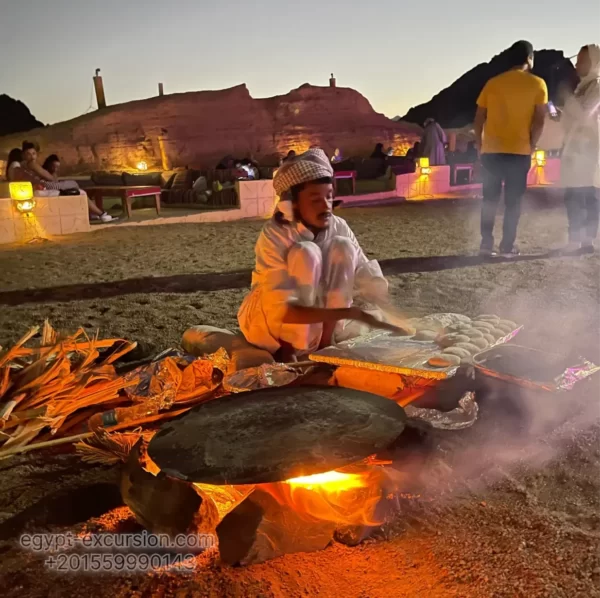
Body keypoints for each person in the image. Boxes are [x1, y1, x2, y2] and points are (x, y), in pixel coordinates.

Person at [238, 148, 408, 361]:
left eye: (328, 197)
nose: (326, 206)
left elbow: (364, 274)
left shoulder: (339, 226)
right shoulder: (275, 233)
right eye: (315, 199)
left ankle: (326, 343)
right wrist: (349, 314)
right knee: (306, 252)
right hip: (276, 323)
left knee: (343, 247)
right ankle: (292, 347)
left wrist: (388, 307)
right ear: (294, 203)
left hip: (324, 319)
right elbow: (280, 307)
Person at [475, 40, 548, 258]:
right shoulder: (538, 84)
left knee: (489, 200)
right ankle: (507, 246)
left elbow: (479, 118)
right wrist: (532, 144)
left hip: (491, 152)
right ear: (529, 58)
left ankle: (486, 245)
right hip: (519, 151)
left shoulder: (493, 83)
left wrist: (480, 145)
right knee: (513, 203)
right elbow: (540, 120)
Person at [559, 44, 600, 254]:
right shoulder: (581, 88)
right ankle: (575, 238)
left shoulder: (597, 88)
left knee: (588, 194)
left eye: (582, 60)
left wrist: (568, 101)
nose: (577, 64)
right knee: (573, 194)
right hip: (573, 150)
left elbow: (585, 115)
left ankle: (587, 240)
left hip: (590, 151)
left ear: (594, 63)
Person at [20, 143, 115, 222]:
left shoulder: (25, 165)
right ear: (23, 156)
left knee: (76, 188)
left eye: (33, 153)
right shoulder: (31, 164)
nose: (32, 156)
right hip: (46, 186)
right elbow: (49, 178)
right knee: (73, 184)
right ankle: (101, 214)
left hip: (43, 186)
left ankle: (96, 213)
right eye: (28, 154)